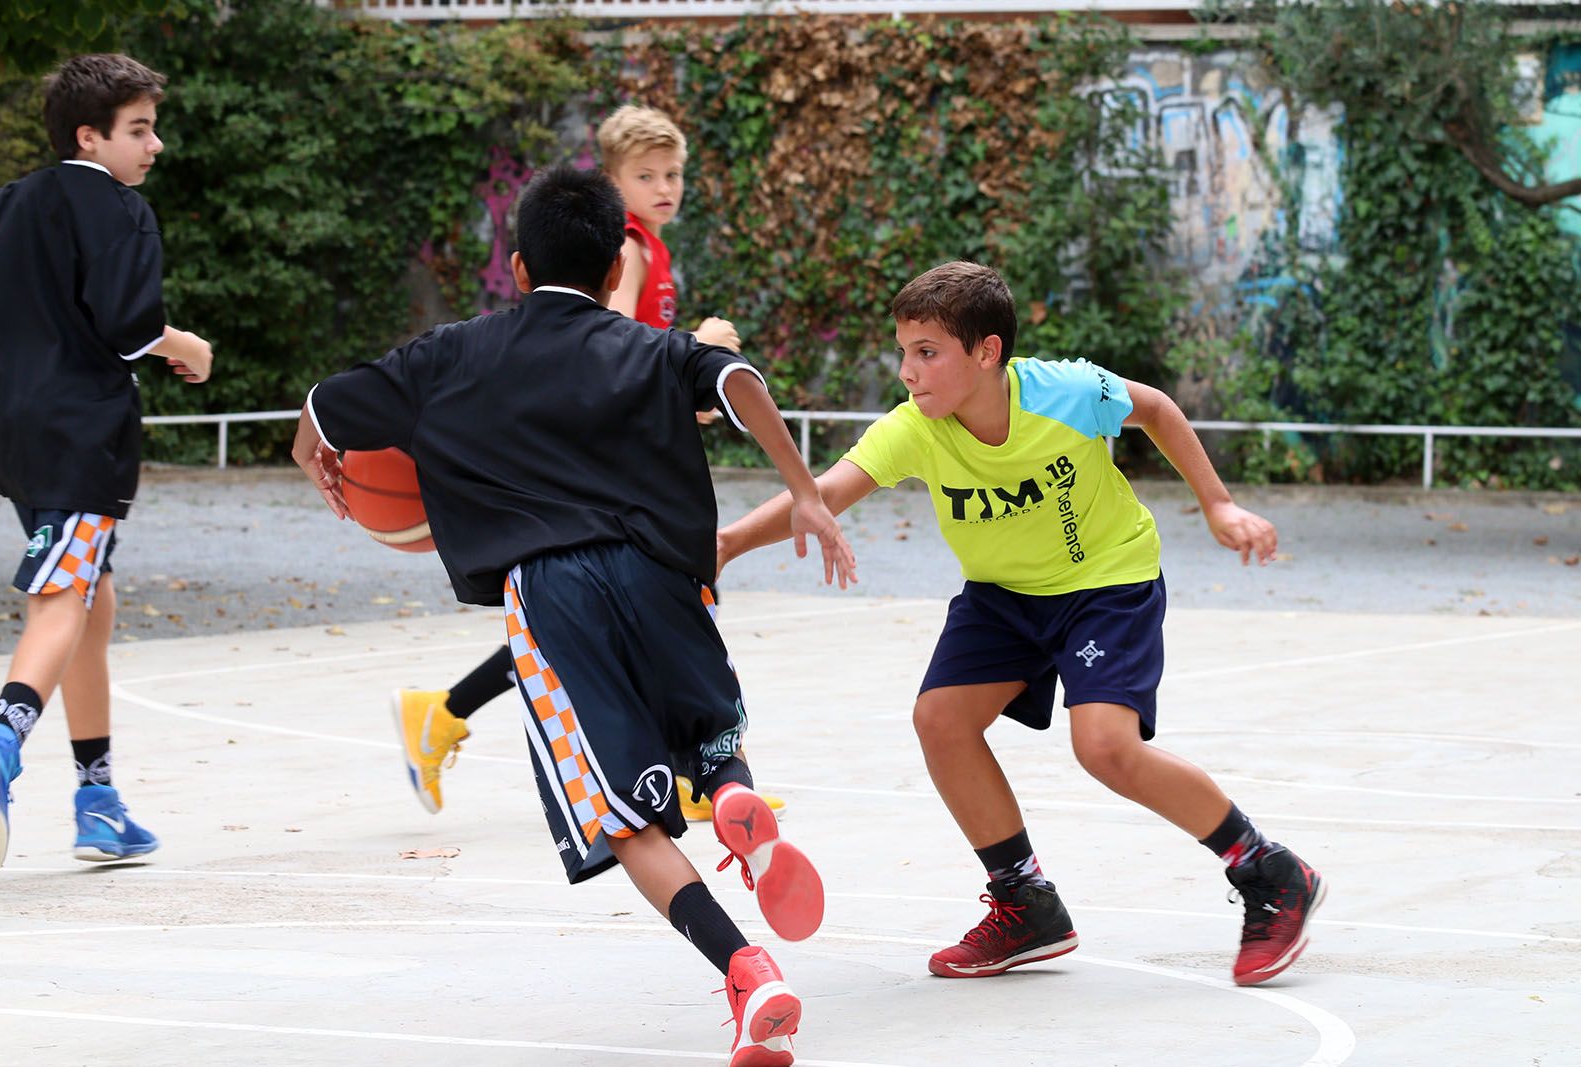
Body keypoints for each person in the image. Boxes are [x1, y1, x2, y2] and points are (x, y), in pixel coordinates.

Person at [292, 163, 853, 1064]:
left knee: (627, 819)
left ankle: (748, 970)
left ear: (517, 269)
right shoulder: (651, 346)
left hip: (551, 597)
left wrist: (307, 433)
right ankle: (736, 789)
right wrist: (805, 493)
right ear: (610, 271)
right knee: (708, 736)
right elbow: (739, 379)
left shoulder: (452, 351)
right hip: (665, 577)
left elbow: (329, 400)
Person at [716, 261, 1326, 988]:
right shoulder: (916, 428)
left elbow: (1157, 408)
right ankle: (1025, 899)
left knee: (1105, 746)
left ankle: (1270, 868)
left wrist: (1219, 505)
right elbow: (822, 494)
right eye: (904, 351)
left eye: (928, 352)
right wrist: (722, 546)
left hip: (1105, 580)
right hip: (1004, 594)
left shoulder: (1064, 393)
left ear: (987, 352)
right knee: (940, 719)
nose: (909, 372)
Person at [389, 104, 785, 826]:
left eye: (673, 174)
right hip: (610, 467)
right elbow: (615, 341)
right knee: (631, 607)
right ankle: (702, 771)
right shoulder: (627, 251)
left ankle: (445, 712)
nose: (664, 187)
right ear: (612, 181)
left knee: (605, 616)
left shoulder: (648, 246)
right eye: (645, 175)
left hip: (619, 456)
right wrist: (696, 344)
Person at [0, 53, 214, 875]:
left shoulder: (5, 206)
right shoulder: (117, 207)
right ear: (92, 135)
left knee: (91, 601)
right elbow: (127, 326)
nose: (155, 146)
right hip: (81, 434)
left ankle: (98, 799)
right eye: (140, 129)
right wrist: (184, 343)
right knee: (60, 601)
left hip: (13, 432)